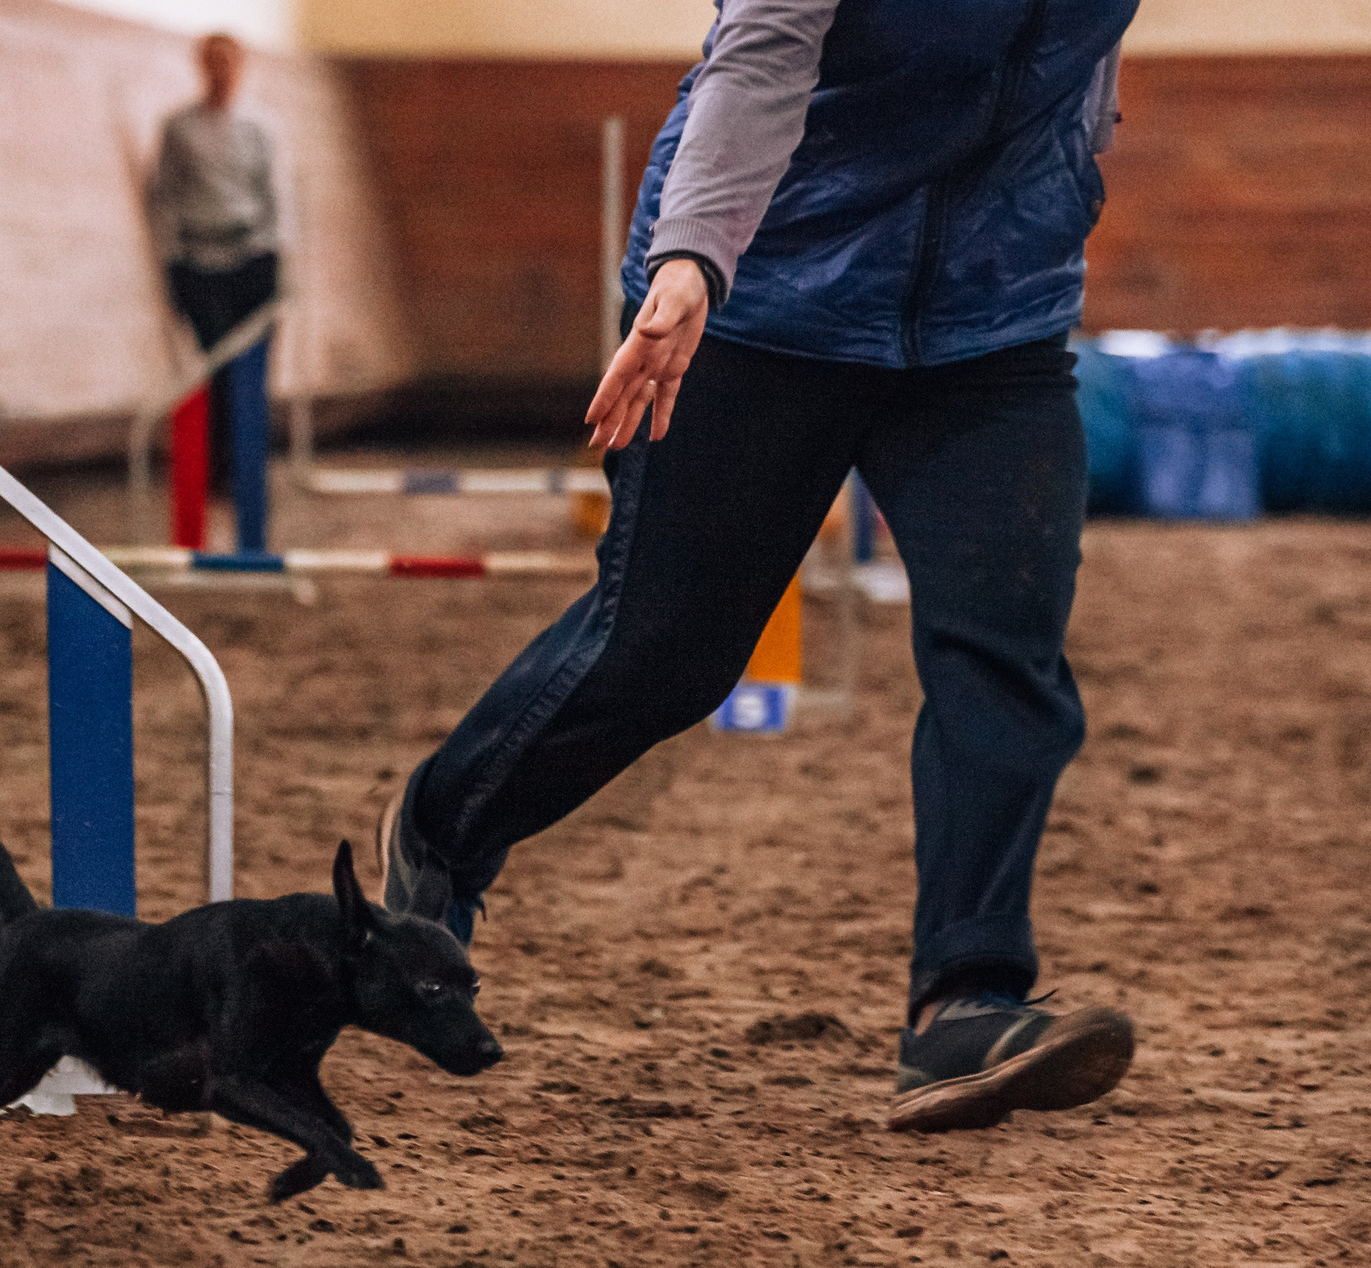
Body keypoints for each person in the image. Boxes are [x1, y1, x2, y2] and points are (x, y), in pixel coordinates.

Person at [378, 0, 1140, 1134]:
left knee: (1006, 647)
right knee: (664, 657)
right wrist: (690, 260)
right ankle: (445, 827)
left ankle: (964, 1000)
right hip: (764, 299)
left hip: (993, 321)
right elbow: (761, 61)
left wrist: (1065, 180)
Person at [147, 33, 278, 532]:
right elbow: (162, 196)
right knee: (211, 376)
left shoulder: (259, 129)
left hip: (250, 259)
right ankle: (210, 487)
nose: (220, 73)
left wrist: (275, 260)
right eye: (212, 64)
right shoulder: (179, 129)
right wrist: (172, 261)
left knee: (250, 385)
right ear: (202, 68)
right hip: (200, 263)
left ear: (239, 69)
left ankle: (248, 491)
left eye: (229, 65)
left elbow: (272, 194)